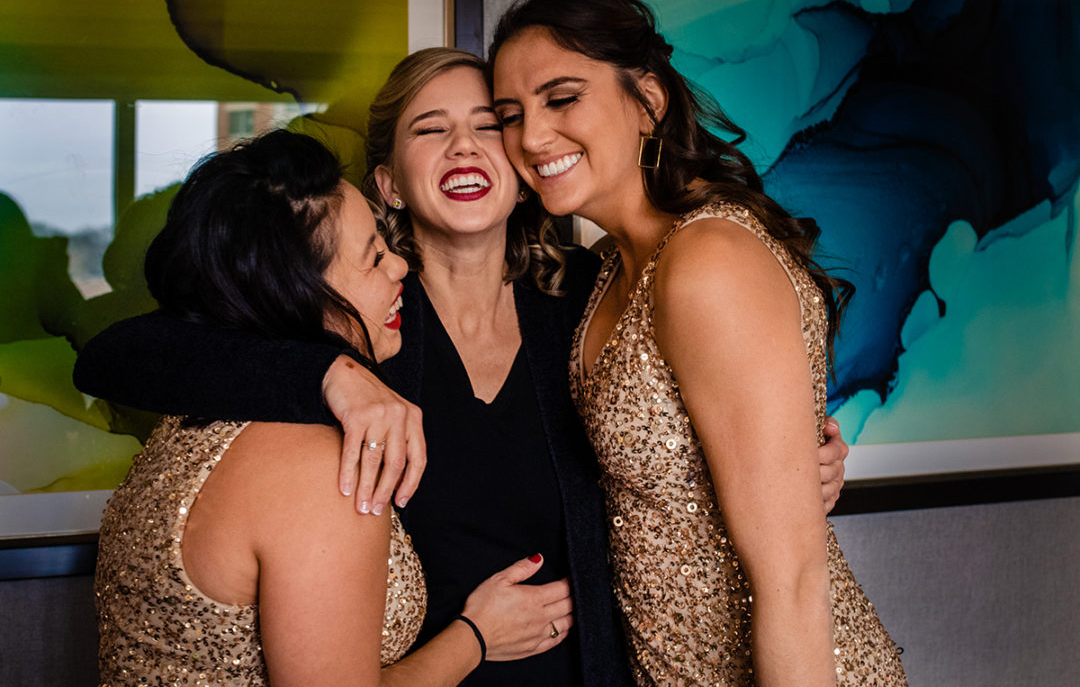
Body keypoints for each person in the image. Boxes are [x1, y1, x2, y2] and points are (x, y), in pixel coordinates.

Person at [75, 50, 850, 685]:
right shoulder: (357, 322)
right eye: (430, 129)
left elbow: (709, 412)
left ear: (522, 170)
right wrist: (325, 377)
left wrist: (786, 465)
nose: (465, 147)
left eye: (490, 126)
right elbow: (122, 355)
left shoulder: (592, 298)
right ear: (387, 183)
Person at [484, 0, 907, 687]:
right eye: (510, 114)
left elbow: (793, 578)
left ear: (648, 101)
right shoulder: (607, 272)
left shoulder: (706, 261)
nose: (530, 136)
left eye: (562, 98)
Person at [92, 129, 573, 686]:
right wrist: (477, 636)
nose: (399, 269)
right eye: (373, 258)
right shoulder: (320, 470)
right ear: (299, 294)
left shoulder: (190, 421)